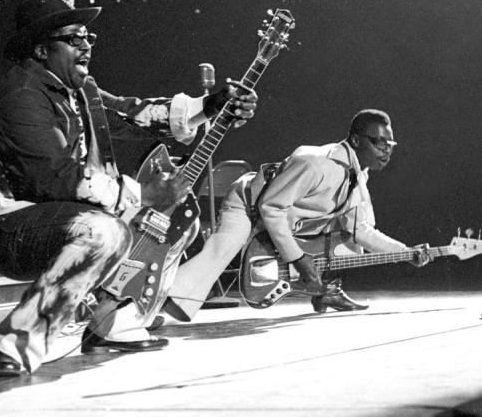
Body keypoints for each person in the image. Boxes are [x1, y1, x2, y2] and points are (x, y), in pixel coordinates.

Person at [0, 0, 257, 377]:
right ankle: (14, 342)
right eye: (74, 39)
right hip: (7, 227)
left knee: (178, 220)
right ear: (40, 51)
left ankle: (113, 320)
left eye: (88, 38)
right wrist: (144, 194)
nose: (86, 46)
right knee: (103, 231)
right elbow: (57, 177)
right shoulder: (21, 96)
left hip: (60, 215)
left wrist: (210, 105)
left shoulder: (80, 90)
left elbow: (137, 114)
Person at [163, 109, 433, 322]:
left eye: (390, 144)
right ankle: (154, 302)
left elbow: (360, 229)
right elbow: (270, 207)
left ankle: (325, 292)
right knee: (224, 247)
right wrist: (299, 259)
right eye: (379, 142)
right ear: (355, 141)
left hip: (287, 221)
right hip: (248, 206)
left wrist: (406, 252)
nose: (386, 150)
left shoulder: (358, 174)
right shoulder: (316, 163)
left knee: (350, 245)